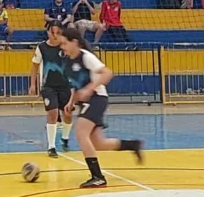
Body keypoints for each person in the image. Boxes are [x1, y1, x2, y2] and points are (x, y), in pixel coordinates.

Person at [59, 26, 144, 188]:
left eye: (64, 43)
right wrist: (71, 102)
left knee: (81, 132)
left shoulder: (86, 57)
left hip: (97, 98)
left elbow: (107, 73)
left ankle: (97, 177)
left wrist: (89, 89)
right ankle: (132, 145)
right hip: (86, 102)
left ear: (74, 42)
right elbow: (75, 85)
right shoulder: (68, 61)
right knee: (98, 143)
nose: (62, 47)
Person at [28, 22, 73, 158]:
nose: (54, 35)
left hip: (65, 85)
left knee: (67, 114)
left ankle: (65, 138)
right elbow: (35, 67)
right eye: (52, 32)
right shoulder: (41, 47)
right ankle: (51, 146)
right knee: (52, 113)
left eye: (57, 32)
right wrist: (33, 84)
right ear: (47, 32)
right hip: (48, 86)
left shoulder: (66, 46)